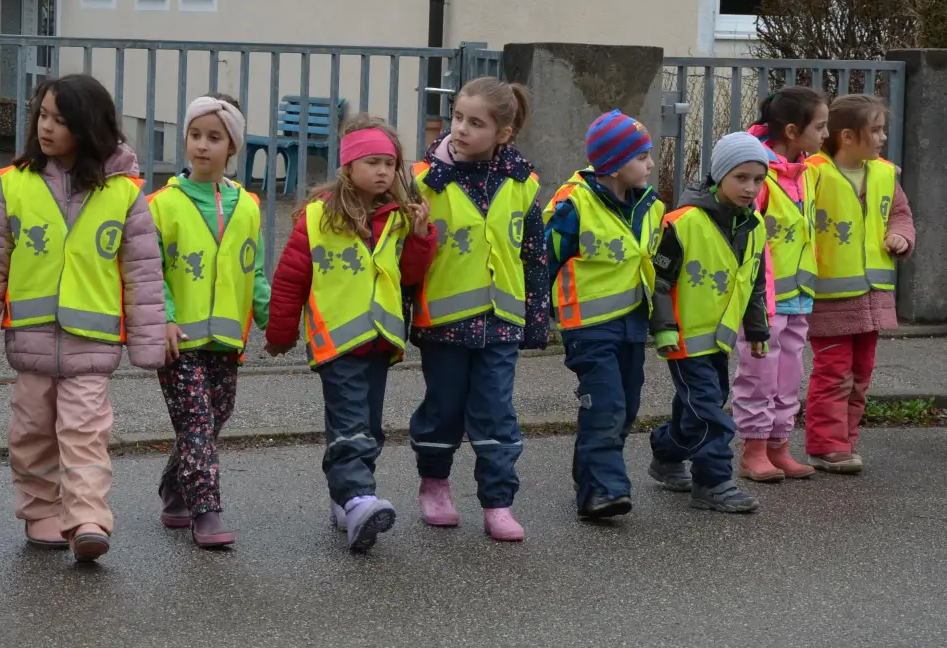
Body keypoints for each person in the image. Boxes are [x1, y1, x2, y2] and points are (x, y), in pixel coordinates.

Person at [0, 74, 165, 563]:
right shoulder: (16, 184)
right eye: (43, 116)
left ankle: (88, 518)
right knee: (31, 432)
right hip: (31, 341)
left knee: (84, 434)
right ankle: (40, 511)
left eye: (61, 119)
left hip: (92, 343)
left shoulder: (124, 194)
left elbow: (143, 272)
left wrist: (148, 342)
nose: (47, 127)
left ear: (89, 127)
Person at [265, 116, 437, 553]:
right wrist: (280, 333)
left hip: (380, 342)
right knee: (349, 424)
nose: (383, 171)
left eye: (390, 164)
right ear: (348, 166)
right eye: (373, 162)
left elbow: (410, 277)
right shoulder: (318, 218)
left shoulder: (399, 219)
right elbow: (290, 279)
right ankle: (360, 496)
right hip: (336, 343)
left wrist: (420, 238)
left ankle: (345, 501)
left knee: (369, 427)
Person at [407, 78, 547, 542]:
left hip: (501, 324)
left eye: (476, 123)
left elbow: (534, 253)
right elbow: (406, 254)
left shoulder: (523, 182)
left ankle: (498, 502)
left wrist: (535, 317)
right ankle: (435, 485)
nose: (461, 129)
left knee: (495, 413)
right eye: (457, 118)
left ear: (504, 133)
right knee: (443, 409)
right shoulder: (425, 178)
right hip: (443, 324)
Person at [149, 93, 270, 549]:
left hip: (226, 339)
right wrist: (163, 318)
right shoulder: (162, 203)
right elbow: (150, 269)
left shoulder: (248, 205)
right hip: (178, 339)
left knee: (216, 415)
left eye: (214, 138)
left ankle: (174, 484)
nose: (202, 145)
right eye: (195, 135)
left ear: (232, 147)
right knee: (197, 420)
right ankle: (208, 509)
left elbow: (252, 267)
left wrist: (270, 316)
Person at [544, 110, 664, 520]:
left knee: (626, 407)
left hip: (632, 325)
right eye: (642, 156)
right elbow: (545, 261)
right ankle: (604, 491)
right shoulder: (572, 206)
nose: (650, 164)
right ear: (613, 164)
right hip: (588, 329)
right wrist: (533, 317)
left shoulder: (650, 206)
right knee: (606, 406)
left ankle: (590, 475)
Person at [647, 131, 770, 514]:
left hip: (720, 339)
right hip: (684, 339)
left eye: (758, 179)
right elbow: (660, 281)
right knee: (710, 412)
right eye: (741, 177)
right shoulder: (681, 223)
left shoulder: (754, 226)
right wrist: (664, 329)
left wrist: (758, 329)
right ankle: (713, 481)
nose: (751, 188)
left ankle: (666, 455)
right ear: (718, 176)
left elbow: (752, 284)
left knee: (698, 408)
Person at [805, 94, 915, 474]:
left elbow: (900, 214)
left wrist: (902, 237)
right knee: (833, 373)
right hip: (829, 297)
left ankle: (845, 443)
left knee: (860, 377)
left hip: (872, 299)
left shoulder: (883, 174)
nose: (883, 137)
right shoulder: (812, 173)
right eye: (876, 130)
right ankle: (826, 446)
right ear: (848, 136)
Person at [734, 87, 829, 482]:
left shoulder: (805, 171)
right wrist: (761, 298)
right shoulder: (761, 174)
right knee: (759, 372)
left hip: (798, 298)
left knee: (788, 373)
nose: (827, 134)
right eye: (820, 126)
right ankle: (753, 450)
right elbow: (749, 240)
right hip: (764, 300)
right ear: (792, 130)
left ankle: (779, 446)